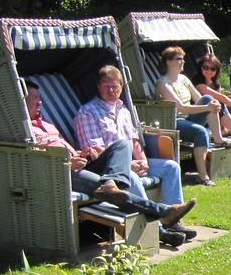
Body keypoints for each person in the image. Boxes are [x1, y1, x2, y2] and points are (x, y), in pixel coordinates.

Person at [26, 81, 195, 243]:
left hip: (81, 165)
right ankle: (162, 221)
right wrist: (69, 161)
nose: (39, 101)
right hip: (61, 171)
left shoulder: (48, 126)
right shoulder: (25, 130)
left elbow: (69, 148)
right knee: (111, 191)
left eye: (39, 97)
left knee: (122, 145)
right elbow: (36, 158)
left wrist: (82, 153)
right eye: (34, 98)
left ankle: (111, 182)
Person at [73, 66, 197, 245]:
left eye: (115, 86)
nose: (111, 90)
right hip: (107, 168)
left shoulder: (123, 110)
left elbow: (134, 140)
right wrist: (127, 166)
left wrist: (143, 161)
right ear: (98, 87)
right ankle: (158, 230)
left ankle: (174, 222)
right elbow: (95, 150)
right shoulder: (87, 112)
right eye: (106, 86)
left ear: (122, 87)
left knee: (171, 167)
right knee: (131, 177)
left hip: (130, 162)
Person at [154, 46, 231, 184]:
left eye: (183, 59)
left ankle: (218, 138)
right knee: (201, 131)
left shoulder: (184, 79)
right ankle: (203, 176)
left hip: (190, 117)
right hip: (174, 120)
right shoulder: (162, 83)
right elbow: (181, 107)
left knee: (210, 99)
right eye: (178, 59)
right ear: (168, 62)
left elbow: (200, 99)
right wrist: (207, 107)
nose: (182, 62)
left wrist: (212, 105)